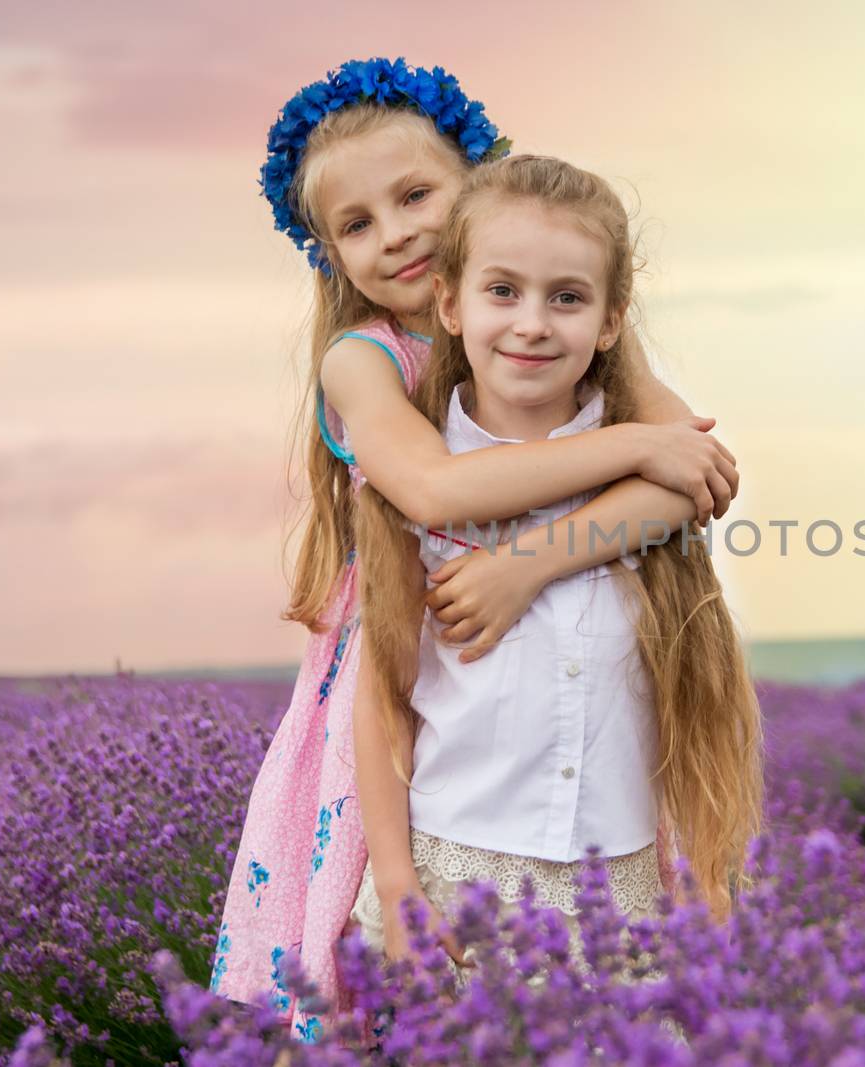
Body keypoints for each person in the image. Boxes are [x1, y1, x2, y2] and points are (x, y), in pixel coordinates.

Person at [211, 58, 741, 1040]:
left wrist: (528, 564)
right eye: (357, 223)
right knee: (372, 950)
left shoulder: (550, 322)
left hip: (525, 643)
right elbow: (435, 489)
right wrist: (629, 443)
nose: (397, 231)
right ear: (328, 254)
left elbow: (693, 474)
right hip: (410, 649)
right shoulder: (366, 357)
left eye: (415, 194)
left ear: (476, 182)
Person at [346, 154, 765, 992]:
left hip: (620, 902)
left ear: (611, 323)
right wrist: (396, 891)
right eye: (502, 291)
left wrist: (710, 877)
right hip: (454, 890)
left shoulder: (654, 486)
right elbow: (382, 699)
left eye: (566, 298)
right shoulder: (416, 487)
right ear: (450, 304)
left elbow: (695, 689)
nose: (532, 323)